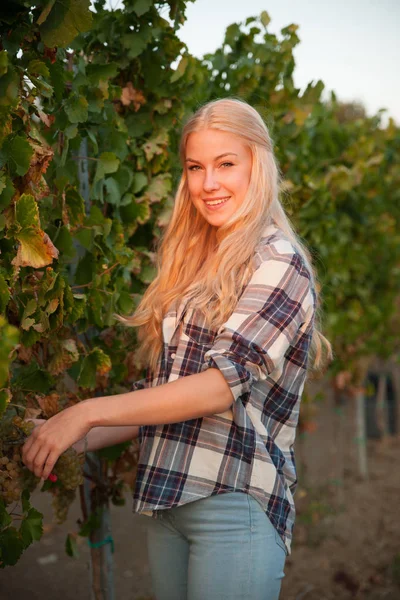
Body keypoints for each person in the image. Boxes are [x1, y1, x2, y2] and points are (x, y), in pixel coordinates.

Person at [22, 98, 332, 600]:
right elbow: (167, 398)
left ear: (258, 164)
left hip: (233, 508)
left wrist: (86, 412)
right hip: (170, 500)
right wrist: (67, 435)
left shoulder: (278, 261)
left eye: (226, 164)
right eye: (195, 167)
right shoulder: (197, 266)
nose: (208, 183)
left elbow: (216, 389)